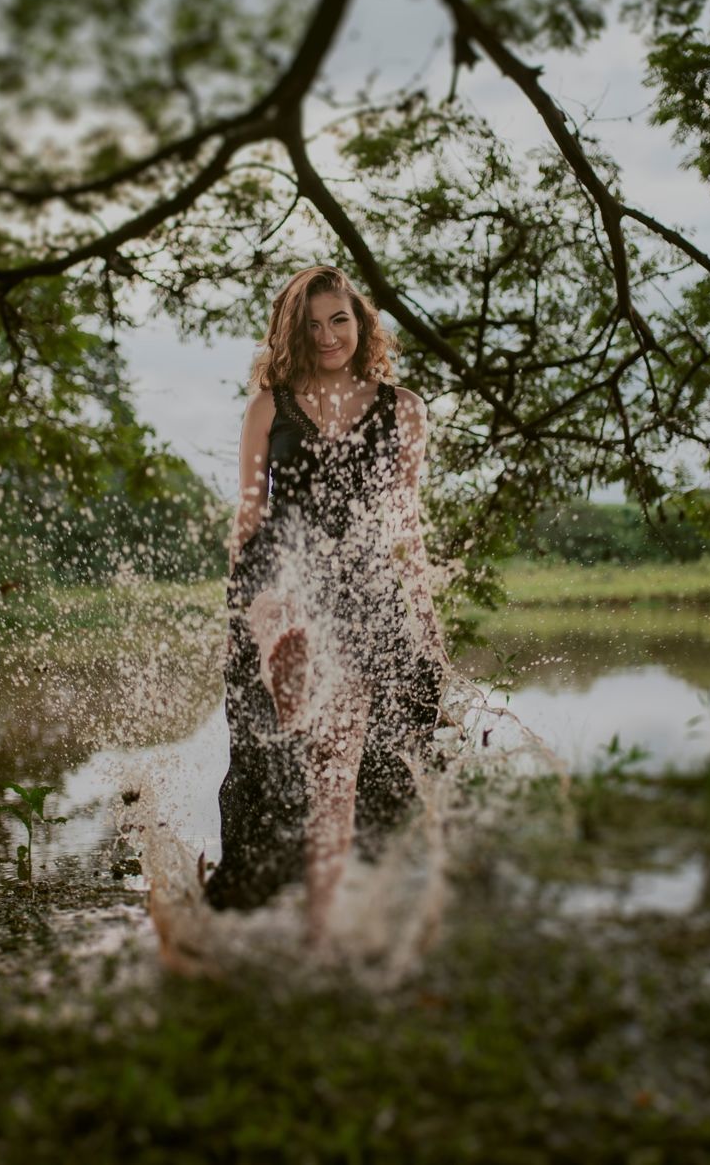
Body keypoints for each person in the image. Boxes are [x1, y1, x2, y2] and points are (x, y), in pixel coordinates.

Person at [203, 264, 446, 941]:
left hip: (362, 582)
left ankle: (323, 917)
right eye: (311, 325)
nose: (328, 335)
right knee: (280, 605)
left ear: (362, 323)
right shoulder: (269, 407)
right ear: (293, 333)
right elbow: (249, 517)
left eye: (339, 319)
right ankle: (287, 665)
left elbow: (404, 524)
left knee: (339, 768)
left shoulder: (404, 408)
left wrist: (427, 620)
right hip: (281, 571)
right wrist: (234, 614)